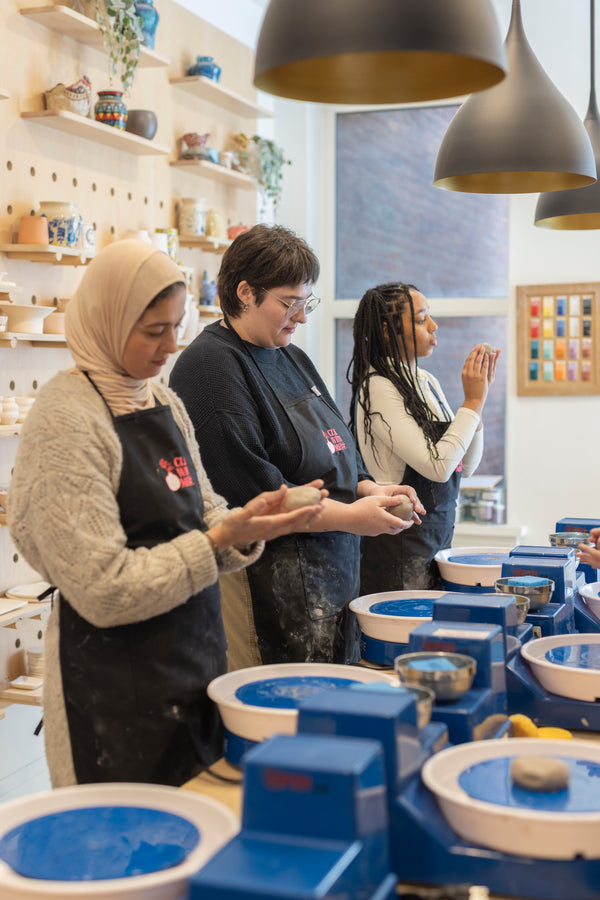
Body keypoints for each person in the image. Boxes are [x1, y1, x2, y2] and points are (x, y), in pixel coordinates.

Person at [7, 240, 326, 788]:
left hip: (190, 663)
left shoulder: (162, 402)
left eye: (177, 327)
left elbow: (204, 512)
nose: (172, 345)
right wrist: (215, 541)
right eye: (155, 330)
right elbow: (103, 589)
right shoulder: (67, 420)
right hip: (110, 689)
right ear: (107, 321)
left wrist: (246, 523)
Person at [169, 225, 423, 670]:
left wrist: (368, 488)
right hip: (265, 580)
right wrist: (352, 517)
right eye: (290, 303)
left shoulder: (290, 355)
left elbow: (337, 443)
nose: (302, 317)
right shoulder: (210, 368)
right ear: (245, 292)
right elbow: (256, 495)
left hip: (331, 570)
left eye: (307, 302)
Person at [348, 282, 500, 594]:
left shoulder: (426, 381)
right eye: (420, 319)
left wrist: (478, 405)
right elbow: (438, 468)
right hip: (398, 549)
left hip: (436, 543)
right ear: (387, 331)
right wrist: (471, 402)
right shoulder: (378, 386)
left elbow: (465, 467)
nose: (434, 325)